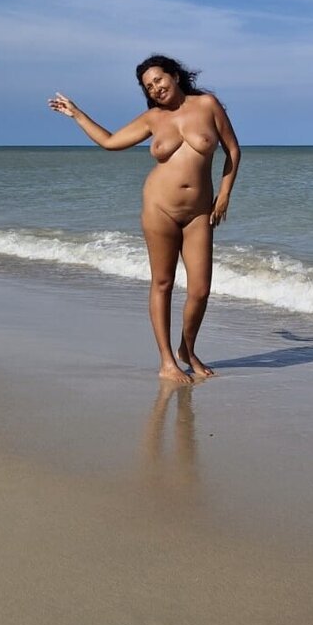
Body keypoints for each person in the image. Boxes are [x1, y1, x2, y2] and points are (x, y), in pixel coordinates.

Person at [48, 55, 240, 386]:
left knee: (200, 290)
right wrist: (77, 114)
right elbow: (110, 142)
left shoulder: (207, 105)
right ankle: (167, 361)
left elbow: (233, 150)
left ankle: (187, 349)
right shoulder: (153, 118)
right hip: (159, 209)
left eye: (158, 80)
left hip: (199, 212)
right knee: (162, 283)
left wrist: (224, 195)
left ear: (175, 76)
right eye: (148, 87)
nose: (155, 88)